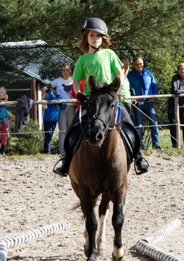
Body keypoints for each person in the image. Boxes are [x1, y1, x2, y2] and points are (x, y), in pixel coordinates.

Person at [53, 17, 149, 176]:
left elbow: (120, 72)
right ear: (86, 37)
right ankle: (67, 160)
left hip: (109, 98)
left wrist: (117, 87)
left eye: (98, 36)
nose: (95, 39)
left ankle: (139, 158)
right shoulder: (82, 59)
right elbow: (76, 81)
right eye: (92, 35)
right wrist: (80, 94)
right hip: (91, 100)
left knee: (130, 126)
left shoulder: (109, 54)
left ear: (103, 38)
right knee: (73, 129)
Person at [127, 57, 162, 150]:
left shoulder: (148, 73)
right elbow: (128, 88)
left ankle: (156, 143)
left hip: (148, 102)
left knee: (154, 122)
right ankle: (141, 144)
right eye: (137, 64)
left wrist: (154, 96)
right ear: (134, 65)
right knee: (139, 124)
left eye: (141, 63)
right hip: (138, 103)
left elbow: (154, 86)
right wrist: (132, 98)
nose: (140, 65)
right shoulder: (130, 75)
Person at [50, 64, 75, 156]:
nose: (65, 72)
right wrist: (55, 93)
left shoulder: (73, 80)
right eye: (64, 70)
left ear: (70, 71)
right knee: (62, 129)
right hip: (61, 106)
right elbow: (47, 87)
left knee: (71, 128)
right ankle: (63, 151)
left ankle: (71, 148)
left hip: (72, 105)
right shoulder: (57, 81)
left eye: (67, 70)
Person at [42, 87, 61, 154]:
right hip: (48, 119)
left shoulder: (57, 98)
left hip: (54, 118)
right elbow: (52, 97)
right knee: (48, 135)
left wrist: (58, 96)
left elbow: (63, 105)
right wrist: (49, 91)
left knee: (50, 135)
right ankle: (47, 151)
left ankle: (47, 150)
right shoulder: (48, 98)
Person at [0, 87, 9, 156]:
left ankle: (3, 151)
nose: (0, 94)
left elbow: (6, 97)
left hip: (4, 120)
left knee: (4, 136)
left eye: (1, 92)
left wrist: (3, 95)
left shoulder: (5, 99)